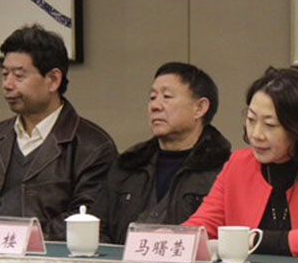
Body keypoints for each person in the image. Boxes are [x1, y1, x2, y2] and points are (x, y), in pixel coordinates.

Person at [183, 67, 298, 259]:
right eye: (251, 120)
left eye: (270, 125)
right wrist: (170, 239)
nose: (256, 134)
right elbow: (201, 226)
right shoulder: (238, 164)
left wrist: (255, 240)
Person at [0, 24, 117, 241]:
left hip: (55, 260)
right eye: (5, 74)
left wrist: (20, 239)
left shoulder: (93, 146)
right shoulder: (2, 135)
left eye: (19, 75)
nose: (7, 84)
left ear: (53, 80)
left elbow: (86, 219)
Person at [99, 62, 231, 244]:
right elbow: (99, 228)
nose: (155, 106)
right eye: (152, 97)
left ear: (200, 108)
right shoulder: (129, 164)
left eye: (167, 96)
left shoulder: (223, 169)